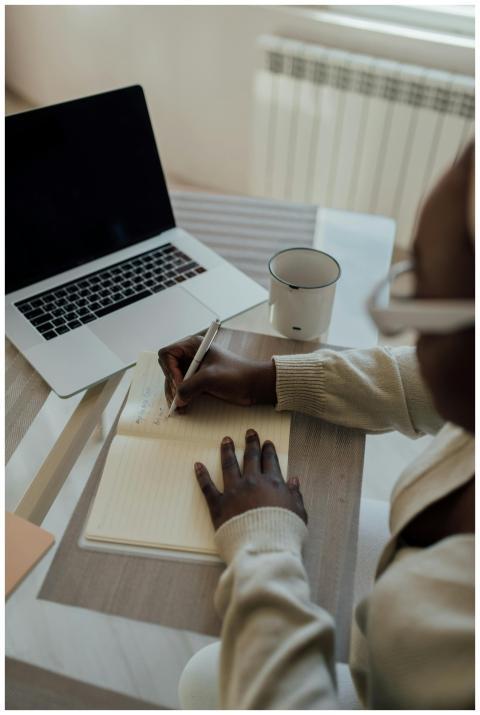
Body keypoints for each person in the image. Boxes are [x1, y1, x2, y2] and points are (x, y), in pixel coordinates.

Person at [158, 143, 474, 709]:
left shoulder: (456, 634)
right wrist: (268, 378)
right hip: (391, 601)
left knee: (204, 676)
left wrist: (264, 547)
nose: (398, 325)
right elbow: (420, 382)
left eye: (424, 296)